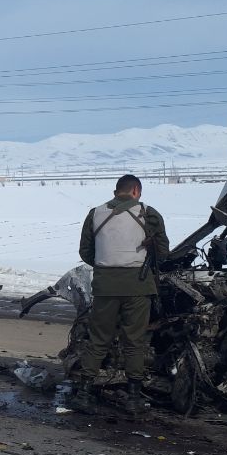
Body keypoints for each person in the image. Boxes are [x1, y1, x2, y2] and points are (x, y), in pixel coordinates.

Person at [72, 174, 170, 415]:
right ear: (136, 191)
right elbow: (163, 252)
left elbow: (86, 252)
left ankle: (84, 394)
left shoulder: (95, 213)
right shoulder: (148, 213)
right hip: (137, 286)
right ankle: (133, 399)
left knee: (98, 339)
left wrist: (107, 265)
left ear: (117, 191)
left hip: (105, 286)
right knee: (134, 342)